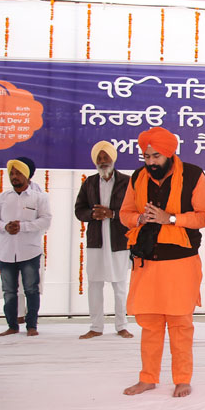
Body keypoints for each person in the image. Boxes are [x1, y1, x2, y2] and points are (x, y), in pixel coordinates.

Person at [119, 127, 205, 398]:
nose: (150, 162)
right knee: (149, 324)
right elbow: (125, 213)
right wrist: (139, 219)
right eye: (146, 156)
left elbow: (204, 216)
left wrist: (169, 218)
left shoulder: (193, 175)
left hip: (181, 262)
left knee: (180, 324)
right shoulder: (138, 177)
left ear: (170, 154)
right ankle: (148, 378)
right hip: (147, 261)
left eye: (156, 156)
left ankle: (182, 379)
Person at [74, 140, 133, 339]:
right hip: (96, 241)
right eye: (99, 158)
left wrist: (112, 214)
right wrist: (93, 215)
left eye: (105, 156)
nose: (102, 160)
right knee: (95, 284)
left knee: (120, 285)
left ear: (113, 158)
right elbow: (79, 210)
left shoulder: (127, 182)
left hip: (119, 241)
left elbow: (134, 210)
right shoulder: (89, 183)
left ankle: (122, 325)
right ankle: (96, 327)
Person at [0, 157, 52, 336]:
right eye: (12, 173)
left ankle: (32, 326)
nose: (14, 177)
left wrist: (22, 227)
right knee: (9, 291)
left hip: (30, 251)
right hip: (6, 252)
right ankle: (12, 326)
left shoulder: (40, 197)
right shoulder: (2, 198)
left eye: (18, 173)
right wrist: (5, 227)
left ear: (27, 175)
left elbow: (46, 220)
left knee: (31, 289)